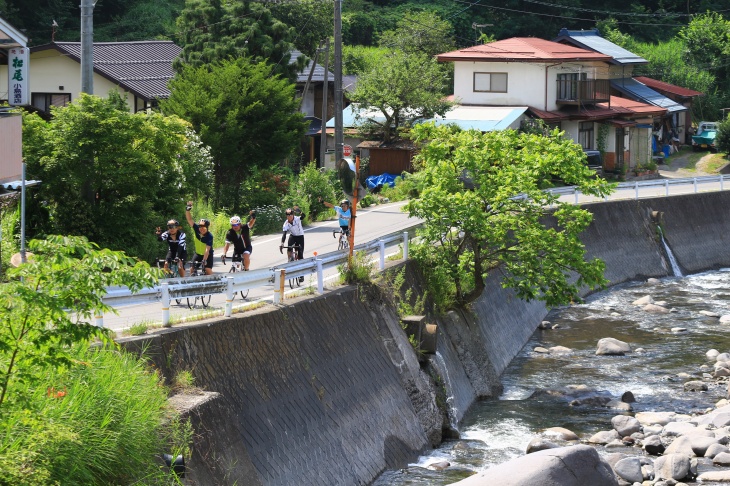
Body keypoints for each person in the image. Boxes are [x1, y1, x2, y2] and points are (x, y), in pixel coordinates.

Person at [185, 200, 214, 276]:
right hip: (198, 254)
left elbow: (207, 250)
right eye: (200, 226)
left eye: (203, 227)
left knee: (207, 270)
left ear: (207, 228)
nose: (201, 228)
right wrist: (188, 210)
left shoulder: (209, 236)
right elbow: (190, 220)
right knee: (192, 268)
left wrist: (204, 260)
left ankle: (212, 282)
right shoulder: (197, 229)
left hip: (207, 255)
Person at [280, 206, 305, 281]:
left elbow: (303, 216)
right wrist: (282, 243)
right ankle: (290, 260)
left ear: (293, 214)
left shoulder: (297, 219)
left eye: (290, 215)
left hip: (300, 236)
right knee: (289, 248)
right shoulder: (286, 223)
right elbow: (284, 234)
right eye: (287, 215)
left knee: (300, 254)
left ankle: (301, 275)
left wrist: (299, 211)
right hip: (293, 236)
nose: (289, 216)